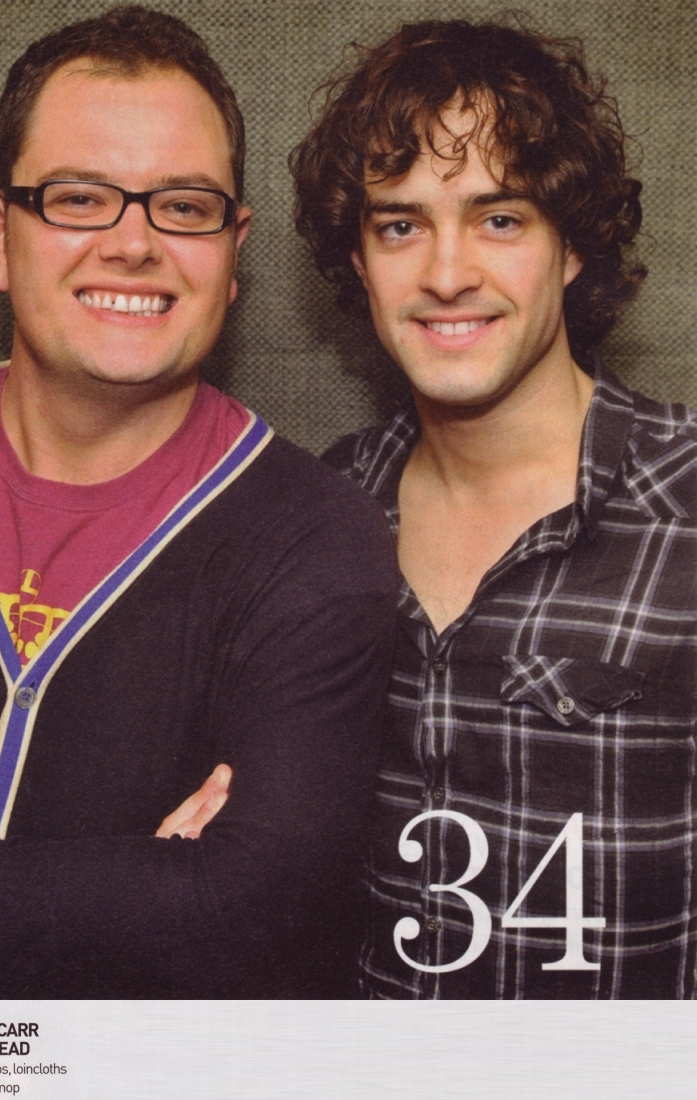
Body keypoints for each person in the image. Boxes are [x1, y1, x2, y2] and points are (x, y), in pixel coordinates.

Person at [0, 5, 397, 999]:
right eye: (79, 198)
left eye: (183, 206)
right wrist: (152, 885)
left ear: (232, 251)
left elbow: (253, 915)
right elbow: (200, 902)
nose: (133, 243)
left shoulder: (317, 537)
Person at [290, 17, 697, 997]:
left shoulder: (684, 503)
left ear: (571, 246)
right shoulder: (319, 513)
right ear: (359, 260)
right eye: (400, 225)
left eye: (499, 219)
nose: (446, 274)